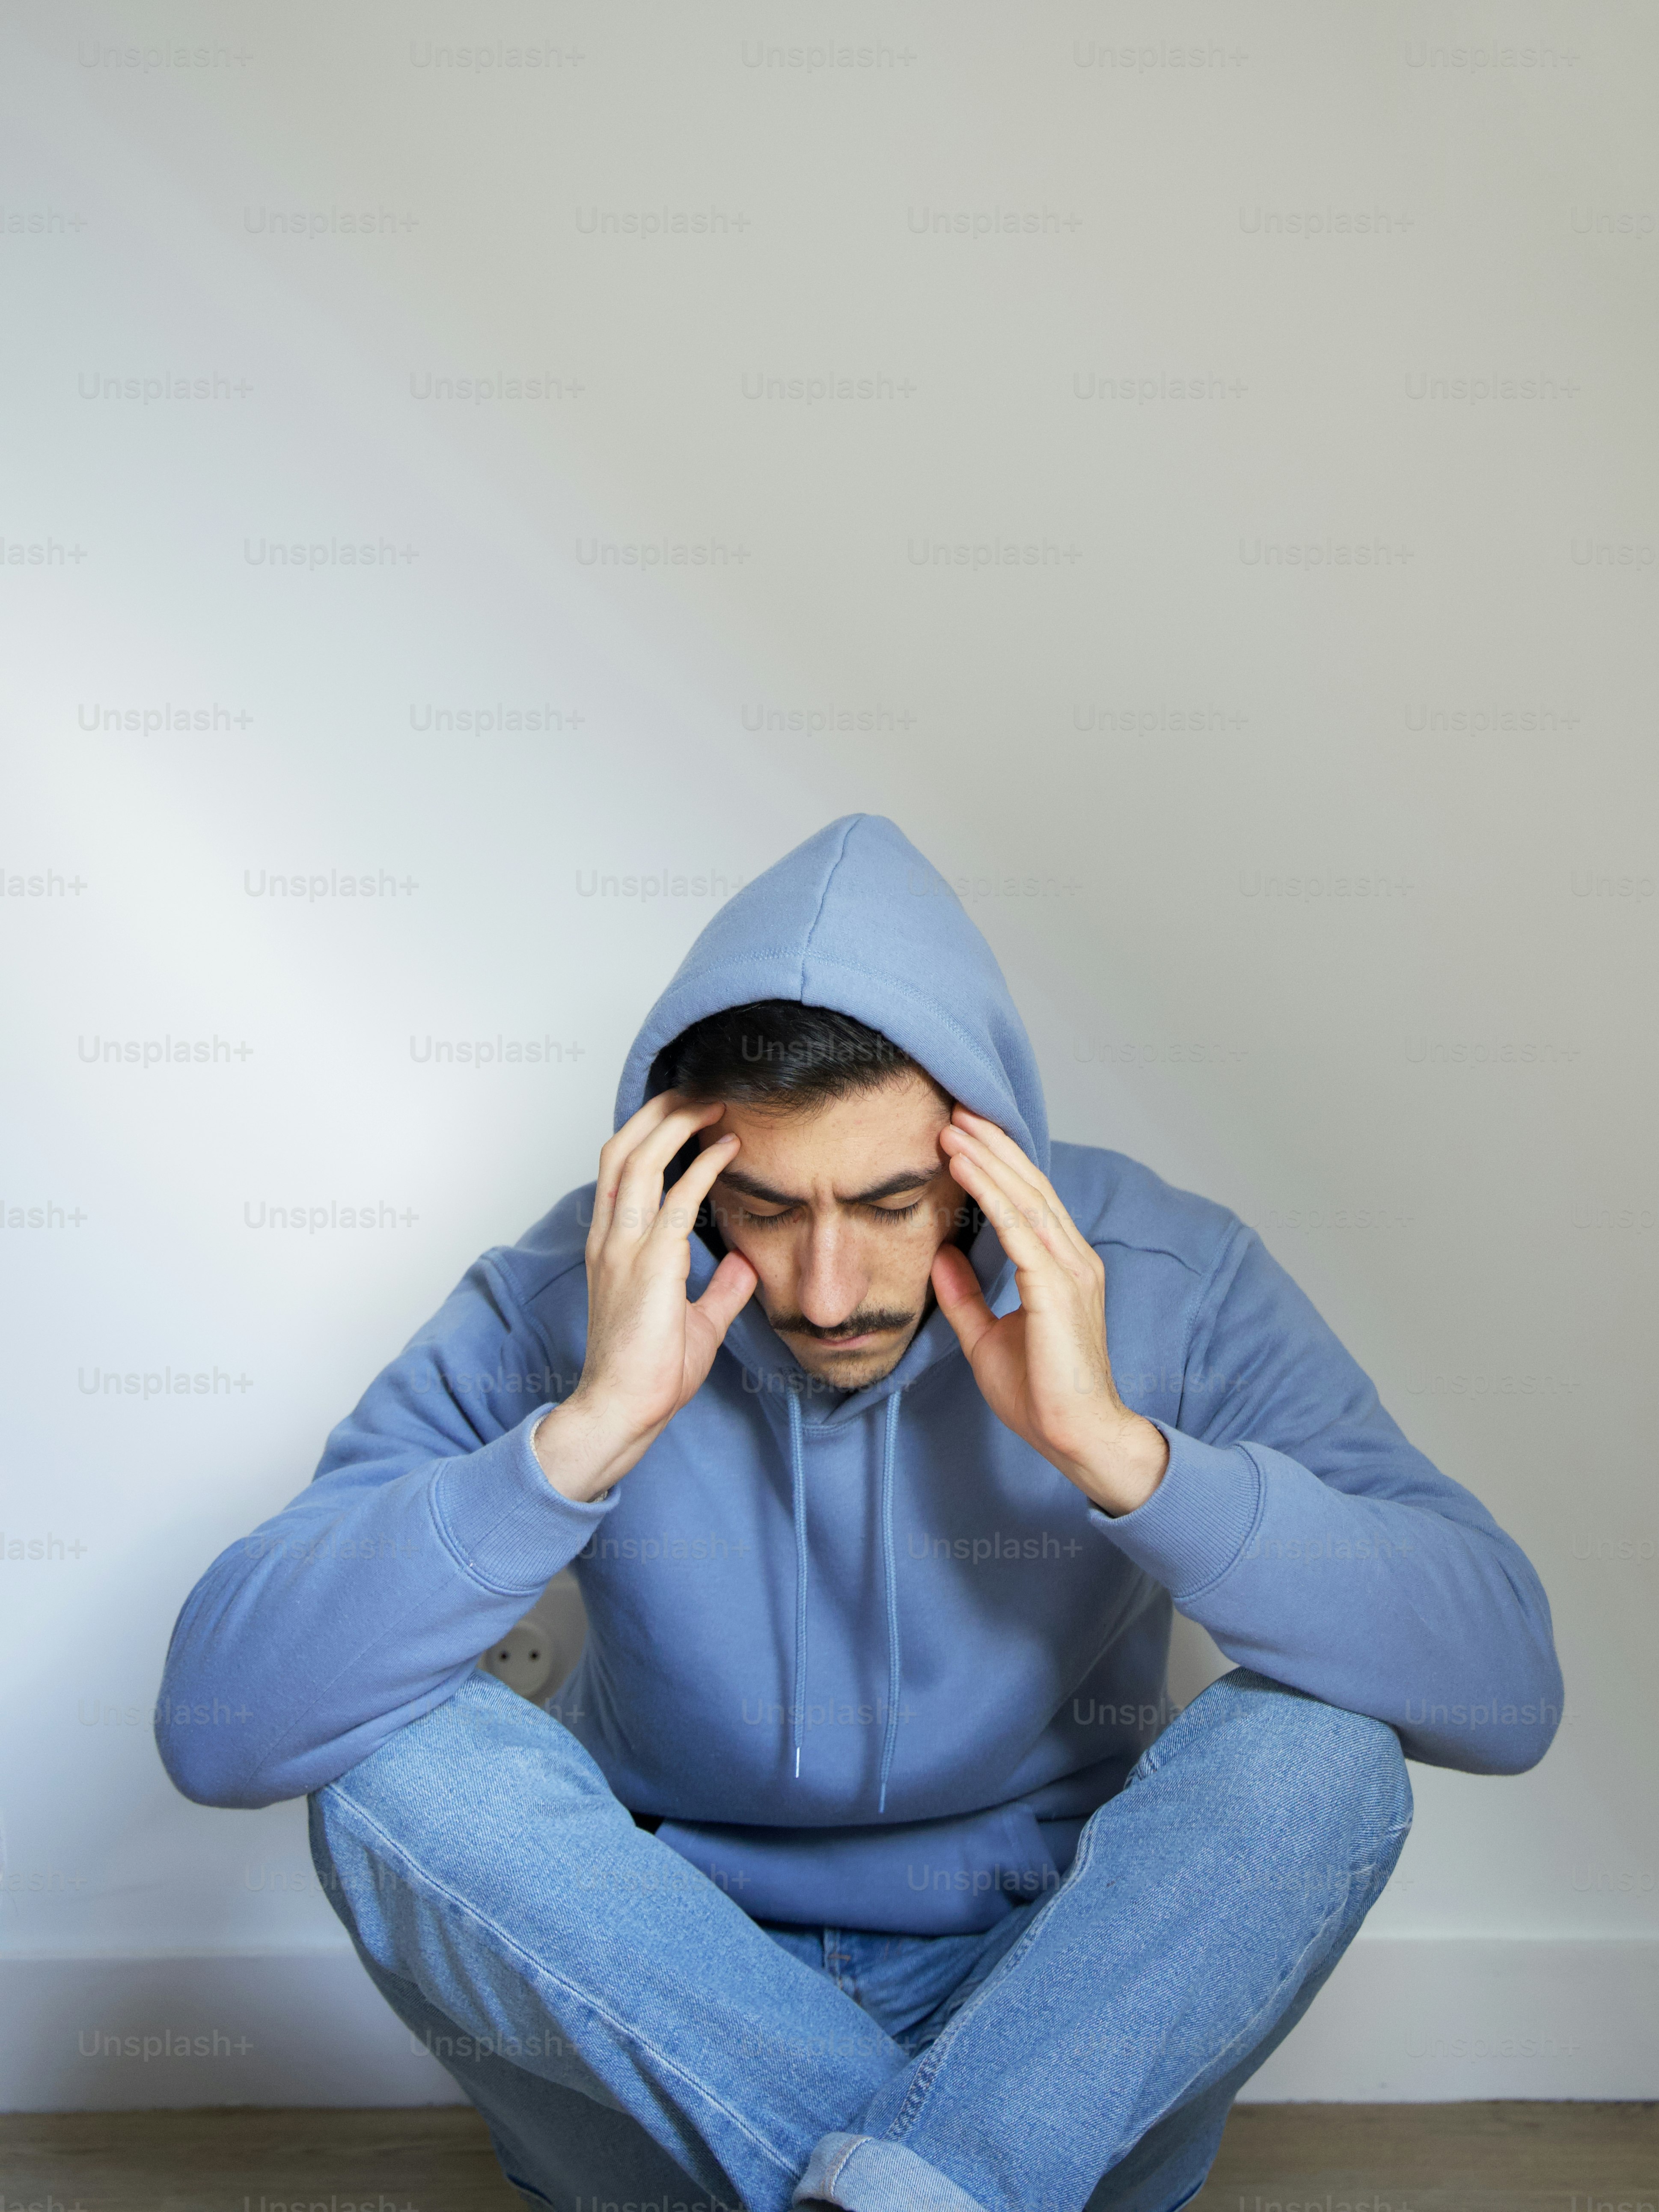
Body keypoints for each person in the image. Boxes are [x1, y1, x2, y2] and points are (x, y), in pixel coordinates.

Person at [157, 814, 1562, 2212]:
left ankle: (948, 2165)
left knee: (1318, 1749)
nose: (827, 1291)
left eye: (891, 1203)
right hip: (658, 2012)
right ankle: (950, 2186)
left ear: (983, 1154)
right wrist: (586, 1432)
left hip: (1050, 2019)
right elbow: (227, 1721)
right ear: (680, 1176)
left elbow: (1501, 1693)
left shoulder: (1161, 1275)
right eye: (766, 1210)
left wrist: (1117, 1451)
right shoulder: (566, 1295)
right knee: (401, 1758)